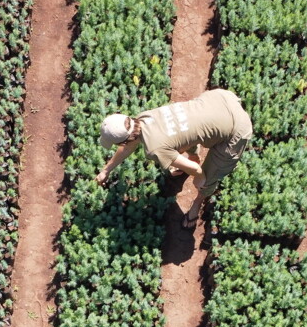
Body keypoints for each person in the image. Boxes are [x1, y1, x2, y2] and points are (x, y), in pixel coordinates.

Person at [95, 89, 253, 229]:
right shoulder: (143, 118)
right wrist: (106, 170)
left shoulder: (154, 149)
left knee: (205, 179)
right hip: (219, 98)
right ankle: (194, 154)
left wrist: (200, 177)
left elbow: (195, 169)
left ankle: (197, 204)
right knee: (180, 134)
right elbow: (131, 145)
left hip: (236, 128)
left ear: (125, 140)